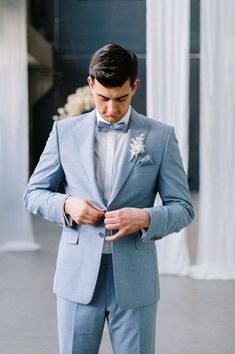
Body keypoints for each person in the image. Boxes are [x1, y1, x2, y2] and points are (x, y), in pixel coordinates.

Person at [24, 44, 194, 354]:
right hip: (77, 277)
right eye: (103, 99)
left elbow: (183, 208)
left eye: (121, 99)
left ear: (135, 86)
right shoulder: (64, 132)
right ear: (90, 84)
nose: (112, 110)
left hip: (135, 281)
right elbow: (33, 194)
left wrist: (145, 217)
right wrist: (67, 205)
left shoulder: (160, 137)